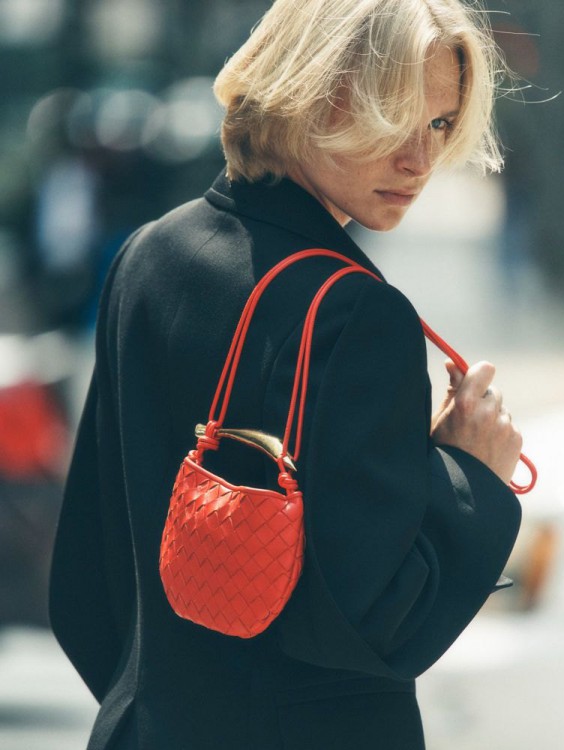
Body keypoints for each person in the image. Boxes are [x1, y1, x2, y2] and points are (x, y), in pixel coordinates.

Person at [49, 1, 523, 748]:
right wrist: (472, 475)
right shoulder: (356, 314)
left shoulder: (147, 254)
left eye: (438, 124)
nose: (419, 159)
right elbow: (382, 623)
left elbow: (84, 585)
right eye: (390, 116)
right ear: (303, 93)